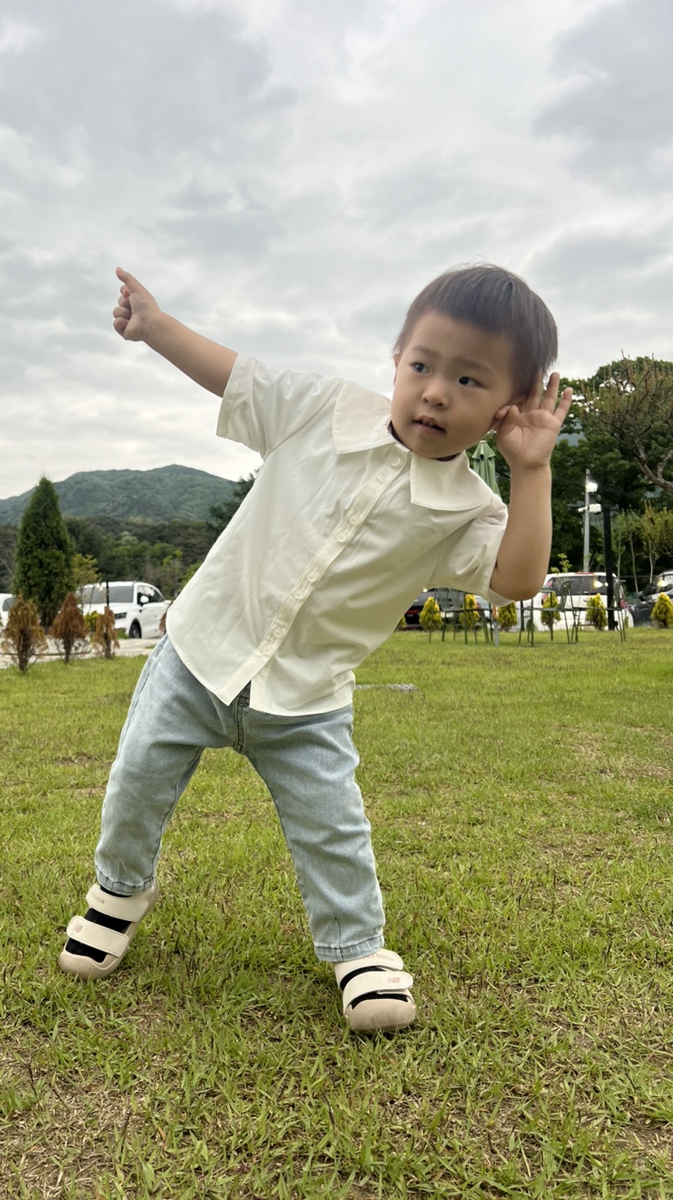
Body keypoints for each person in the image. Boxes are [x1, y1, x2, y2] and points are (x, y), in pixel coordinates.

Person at [58, 263, 572, 1033]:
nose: (435, 391)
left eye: (470, 381)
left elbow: (519, 579)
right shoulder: (323, 410)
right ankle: (118, 893)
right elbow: (238, 378)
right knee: (136, 778)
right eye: (422, 365)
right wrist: (156, 327)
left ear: (508, 407)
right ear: (395, 360)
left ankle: (359, 952)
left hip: (307, 697)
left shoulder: (467, 509)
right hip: (198, 655)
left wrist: (533, 469)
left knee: (332, 825)